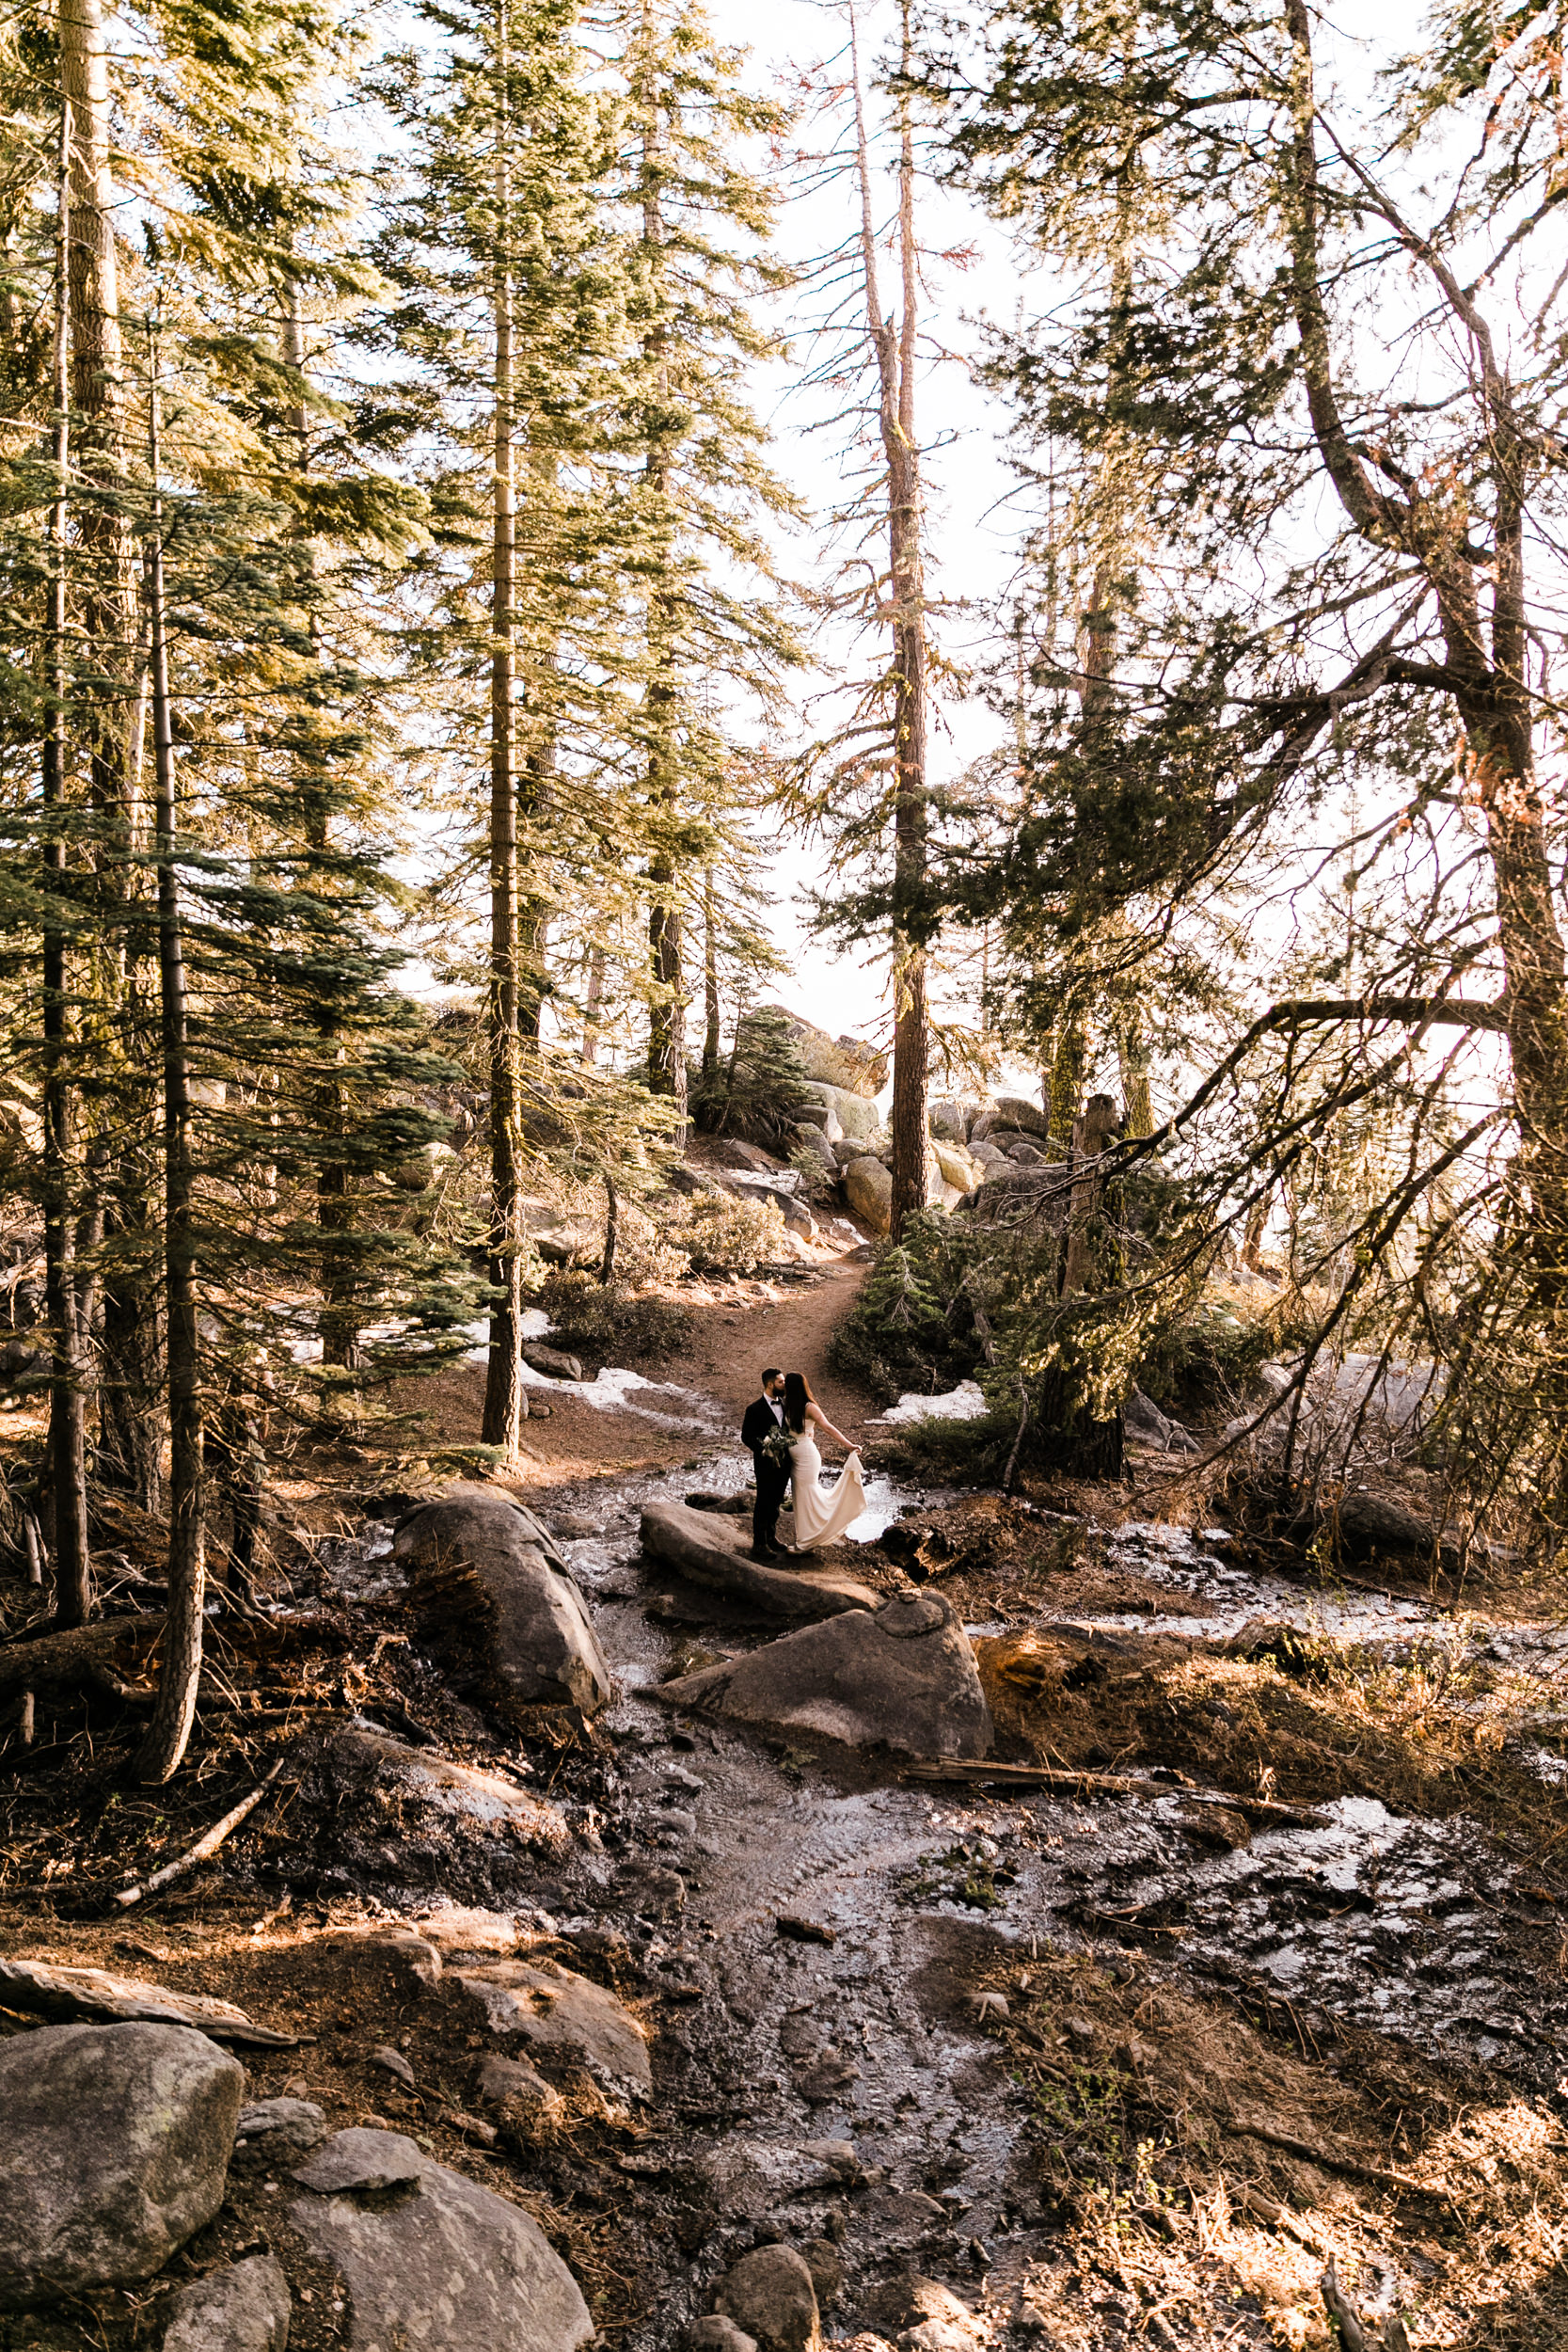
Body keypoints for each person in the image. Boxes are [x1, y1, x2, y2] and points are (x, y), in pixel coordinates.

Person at [780, 1371, 866, 1550]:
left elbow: (828, 1427)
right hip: (795, 1458)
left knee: (807, 1496)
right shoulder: (787, 1404)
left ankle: (806, 1542)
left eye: (786, 1383)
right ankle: (805, 1538)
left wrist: (849, 1445)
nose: (784, 1386)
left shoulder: (809, 1406)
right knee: (800, 1497)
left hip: (807, 1457)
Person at [740, 1367, 791, 1562]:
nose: (784, 1385)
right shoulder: (754, 1409)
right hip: (764, 1463)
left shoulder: (785, 1405)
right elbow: (746, 1436)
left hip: (784, 1463)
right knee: (763, 1502)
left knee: (777, 1501)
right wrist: (765, 1449)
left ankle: (771, 1537)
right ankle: (758, 1544)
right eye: (781, 1382)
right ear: (770, 1384)